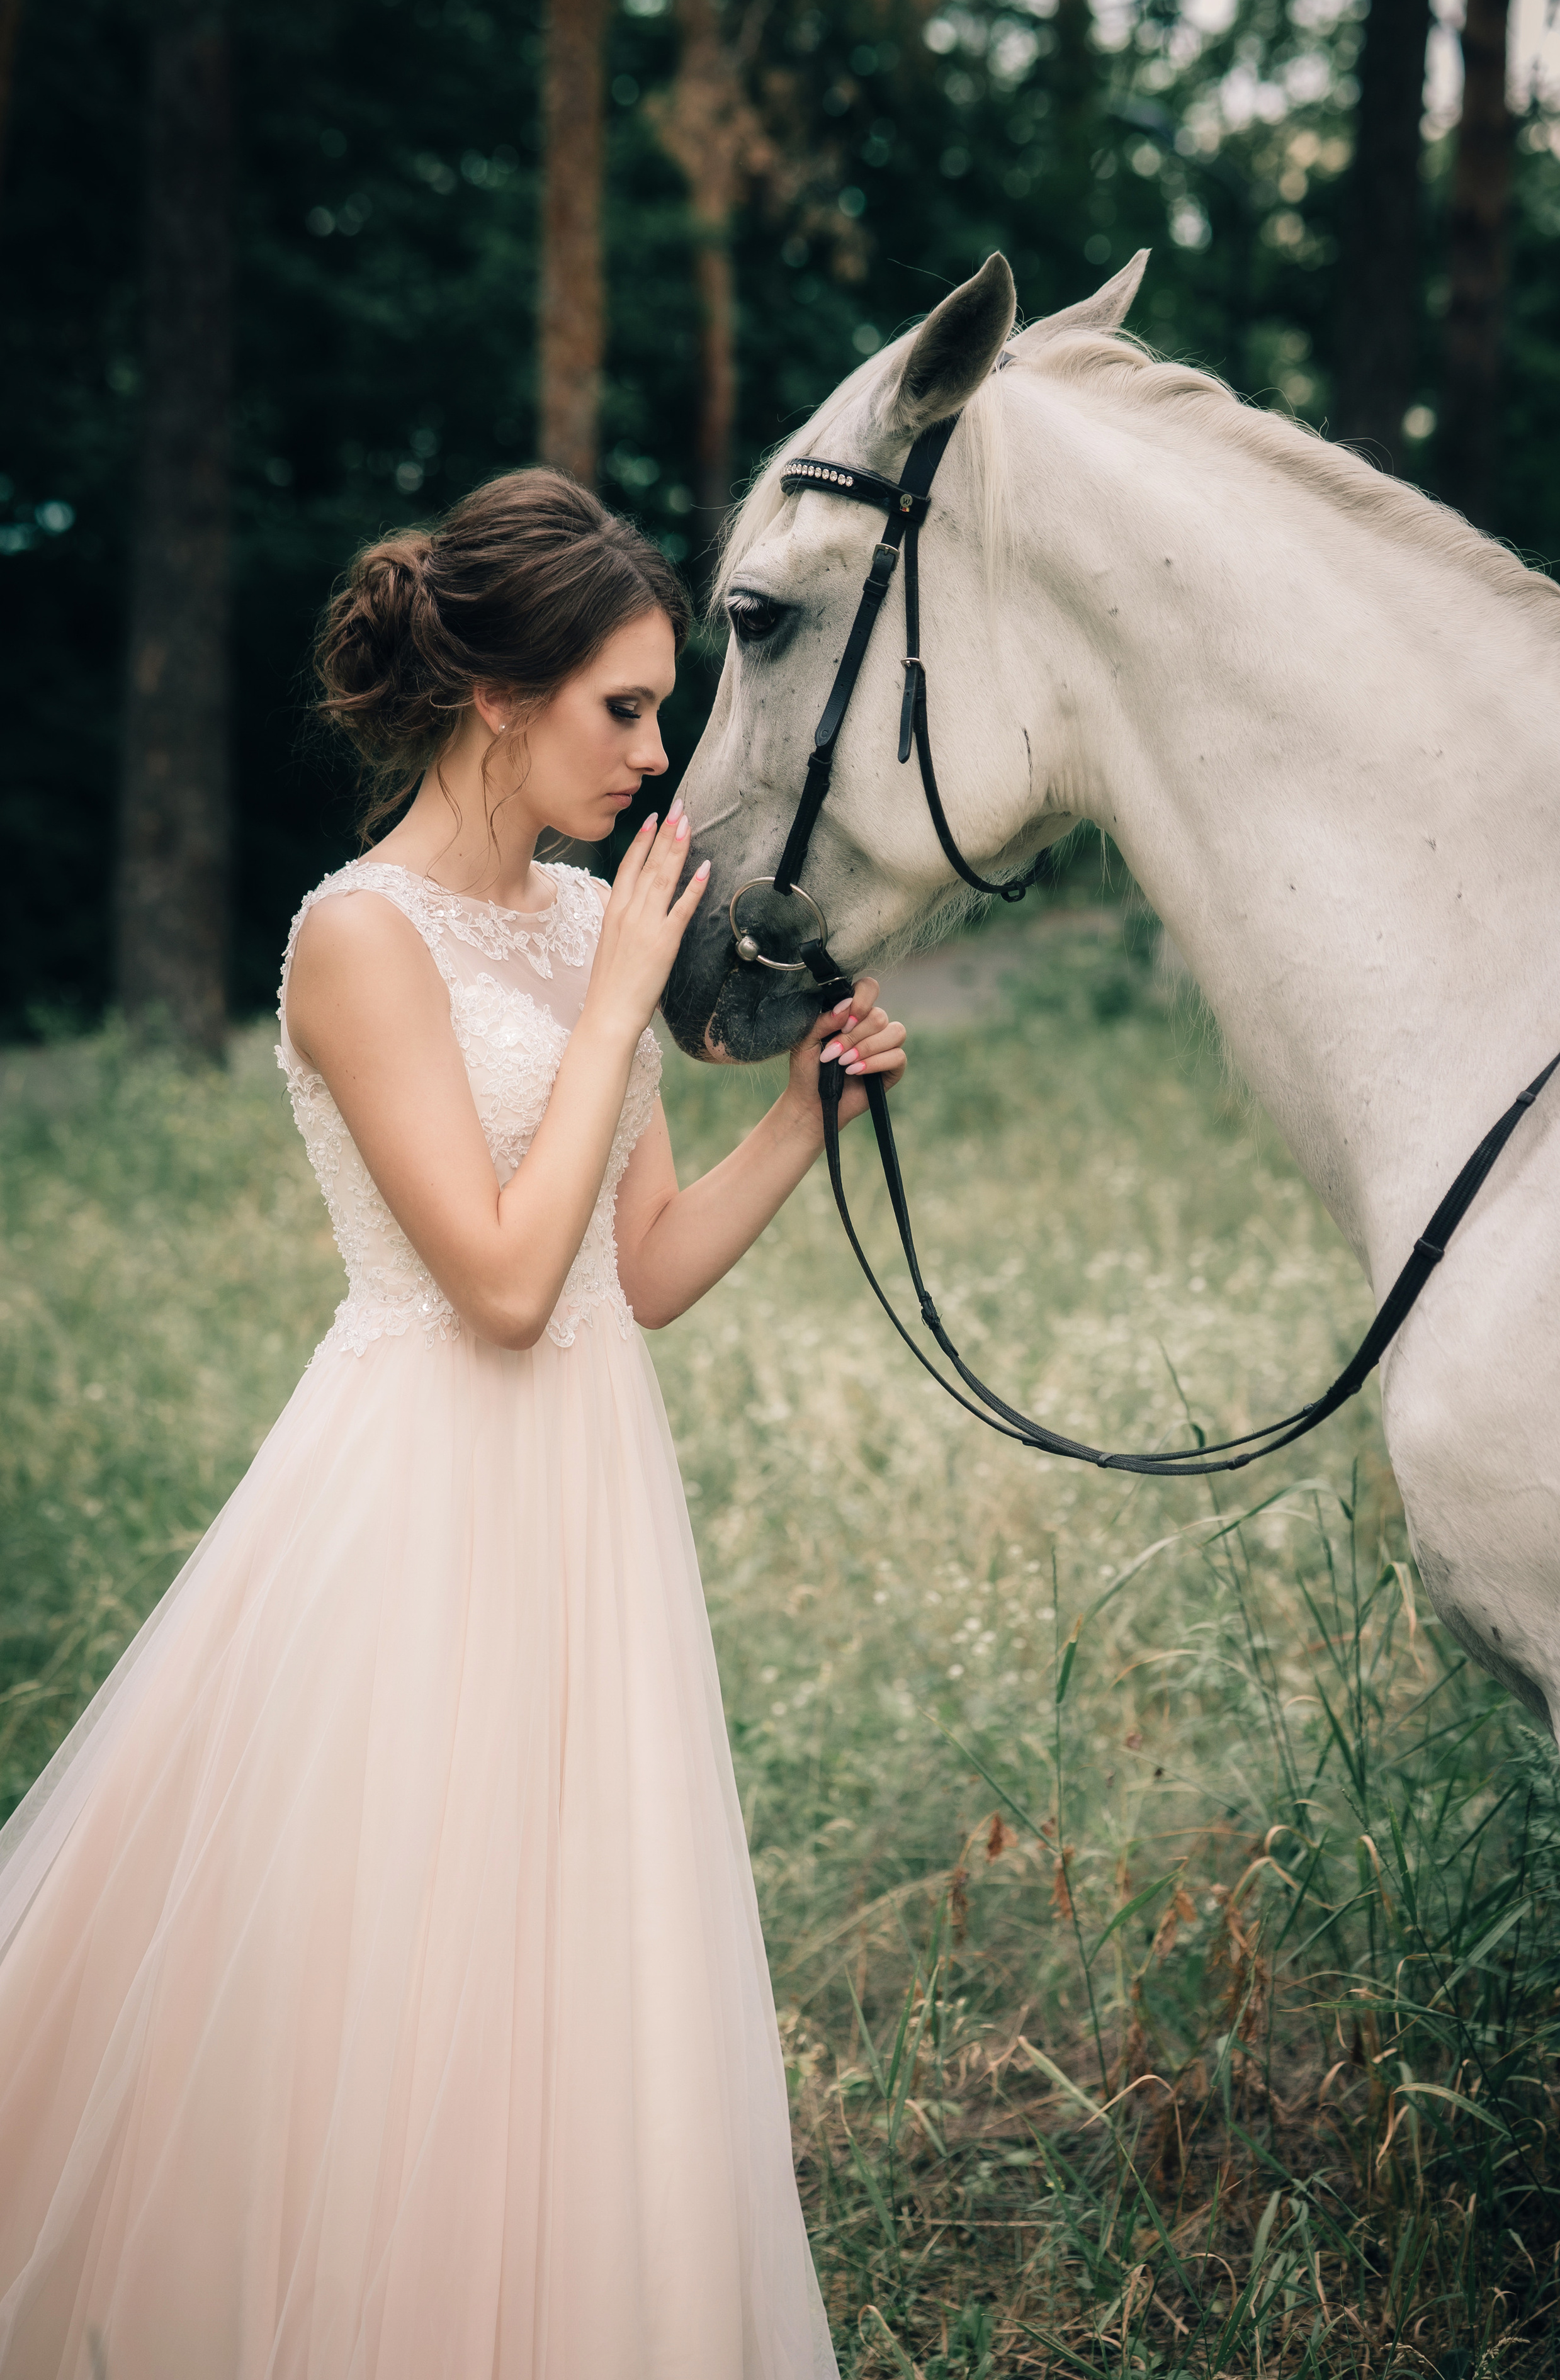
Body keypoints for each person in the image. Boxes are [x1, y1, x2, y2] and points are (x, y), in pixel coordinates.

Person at [0, 468, 907, 2377]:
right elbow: (497, 1283)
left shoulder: (592, 928)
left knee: (573, 1966)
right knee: (397, 1962)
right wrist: (619, 1008)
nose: (660, 759)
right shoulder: (360, 939)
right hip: (412, 1498)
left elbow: (633, 1269)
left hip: (589, 1494)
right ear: (499, 697)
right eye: (626, 710)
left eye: (662, 711)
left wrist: (796, 1119)